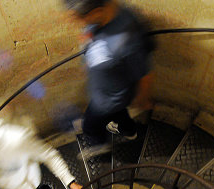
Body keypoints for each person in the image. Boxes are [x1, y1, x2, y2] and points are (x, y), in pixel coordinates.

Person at [63, 0, 154, 157]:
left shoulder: (127, 40)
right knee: (119, 114)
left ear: (97, 11)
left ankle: (100, 146)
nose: (75, 22)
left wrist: (143, 98)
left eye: (80, 18)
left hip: (108, 99)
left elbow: (144, 74)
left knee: (90, 126)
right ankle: (130, 131)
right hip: (110, 95)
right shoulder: (103, 20)